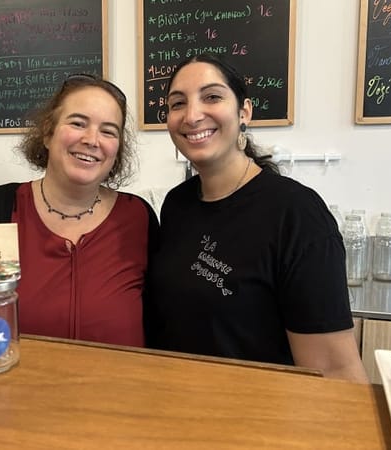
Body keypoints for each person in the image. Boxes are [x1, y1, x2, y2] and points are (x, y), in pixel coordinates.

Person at [145, 54, 368, 383]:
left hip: (259, 421)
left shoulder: (297, 214)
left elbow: (334, 370)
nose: (192, 115)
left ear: (244, 111)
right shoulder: (178, 204)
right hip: (178, 410)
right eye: (178, 103)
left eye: (212, 97)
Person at [0, 74, 159, 347]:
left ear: (117, 149)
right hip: (18, 387)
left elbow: (161, 321)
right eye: (78, 123)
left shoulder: (138, 217)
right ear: (47, 132)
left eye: (108, 131)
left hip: (121, 388)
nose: (92, 140)